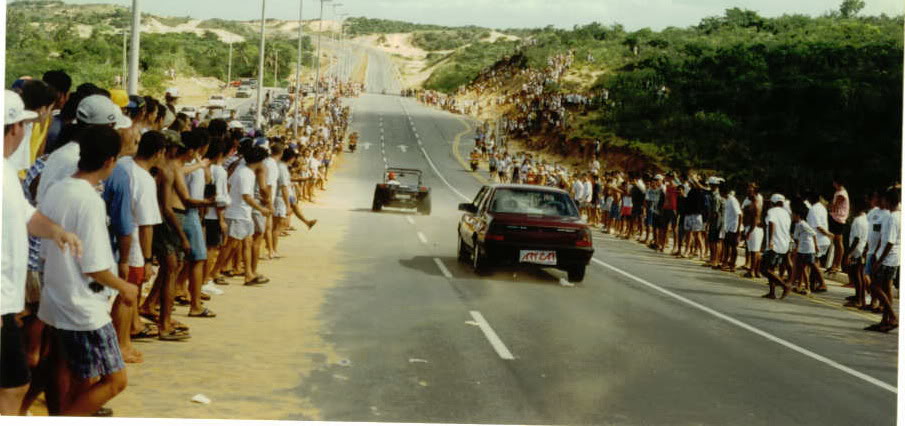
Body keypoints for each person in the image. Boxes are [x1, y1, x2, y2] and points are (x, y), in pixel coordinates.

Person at [38, 125, 136, 416]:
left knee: (81, 376)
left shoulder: (57, 189)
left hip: (57, 296)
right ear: (109, 161)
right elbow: (94, 267)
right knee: (115, 380)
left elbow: (45, 249)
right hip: (82, 307)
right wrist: (124, 287)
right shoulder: (89, 200)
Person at [1, 91, 81, 415]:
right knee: (13, 385)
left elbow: (27, 216)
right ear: (15, 128)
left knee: (13, 384)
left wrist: (58, 232)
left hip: (7, 300)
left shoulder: (6, 172)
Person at [209, 146, 272, 286]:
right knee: (230, 245)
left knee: (246, 243)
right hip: (238, 213)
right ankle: (215, 271)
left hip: (241, 212)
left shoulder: (241, 170)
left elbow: (230, 186)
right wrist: (262, 209)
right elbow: (247, 197)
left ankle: (249, 274)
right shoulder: (247, 174)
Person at [865, 188, 900, 333]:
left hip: (887, 258)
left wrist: (879, 261)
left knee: (875, 287)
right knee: (886, 289)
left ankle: (893, 316)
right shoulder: (898, 216)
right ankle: (885, 320)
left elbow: (890, 241)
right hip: (893, 258)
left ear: (889, 201)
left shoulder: (892, 217)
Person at [761, 194, 793, 299]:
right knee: (772, 268)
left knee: (765, 269)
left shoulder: (772, 212)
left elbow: (771, 224)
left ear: (772, 202)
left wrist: (770, 240)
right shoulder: (786, 213)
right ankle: (772, 292)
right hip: (784, 243)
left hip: (774, 244)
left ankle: (785, 286)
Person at [790, 203, 823, 295]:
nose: (792, 216)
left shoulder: (803, 224)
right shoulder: (797, 225)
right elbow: (797, 238)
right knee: (801, 268)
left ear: (798, 216)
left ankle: (807, 288)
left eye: (793, 215)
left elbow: (813, 233)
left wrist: (816, 246)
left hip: (807, 249)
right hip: (802, 249)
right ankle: (800, 286)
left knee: (804, 268)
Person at [844, 197, 869, 308]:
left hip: (857, 251)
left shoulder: (858, 221)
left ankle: (859, 299)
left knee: (857, 275)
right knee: (859, 275)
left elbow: (856, 239)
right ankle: (860, 298)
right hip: (861, 249)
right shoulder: (865, 219)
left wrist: (849, 253)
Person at [806, 191, 833, 292]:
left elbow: (818, 226)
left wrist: (828, 234)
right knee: (815, 262)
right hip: (821, 239)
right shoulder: (821, 207)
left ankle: (822, 283)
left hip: (818, 239)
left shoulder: (814, 209)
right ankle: (812, 284)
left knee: (812, 262)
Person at [828, 177, 850, 274]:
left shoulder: (841, 194)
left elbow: (834, 207)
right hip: (835, 218)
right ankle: (834, 264)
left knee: (838, 243)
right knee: (836, 243)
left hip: (839, 219)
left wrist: (826, 205)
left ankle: (838, 264)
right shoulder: (838, 192)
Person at [721, 185, 742, 272]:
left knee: (733, 247)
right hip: (728, 227)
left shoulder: (732, 200)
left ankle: (733, 264)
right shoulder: (726, 200)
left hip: (734, 227)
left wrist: (738, 229)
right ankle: (725, 263)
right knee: (726, 246)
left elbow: (739, 214)